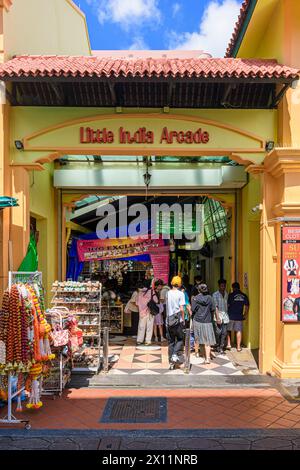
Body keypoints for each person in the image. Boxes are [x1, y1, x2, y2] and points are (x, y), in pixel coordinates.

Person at [192, 283, 216, 364]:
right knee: (207, 341)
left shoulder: (195, 298)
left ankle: (199, 354)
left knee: (198, 339)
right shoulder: (210, 298)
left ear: (198, 290)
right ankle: (207, 359)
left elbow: (193, 309)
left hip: (197, 321)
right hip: (207, 321)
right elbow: (213, 309)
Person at [165, 276, 186, 367]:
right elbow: (181, 309)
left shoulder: (167, 293)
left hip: (169, 320)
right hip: (178, 320)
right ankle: (174, 354)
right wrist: (183, 319)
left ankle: (171, 361)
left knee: (171, 341)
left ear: (172, 283)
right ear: (180, 284)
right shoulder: (181, 294)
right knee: (180, 339)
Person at [227, 282, 250, 352]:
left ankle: (228, 344)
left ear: (233, 288)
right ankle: (238, 347)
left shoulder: (231, 295)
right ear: (239, 287)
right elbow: (247, 306)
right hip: (239, 316)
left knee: (228, 330)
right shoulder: (244, 295)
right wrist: (245, 314)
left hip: (231, 315)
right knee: (238, 330)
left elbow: (227, 305)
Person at [136, 279, 159, 346]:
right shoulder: (151, 292)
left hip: (141, 312)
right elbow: (156, 301)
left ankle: (139, 340)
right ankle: (147, 341)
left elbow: (137, 303)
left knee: (141, 326)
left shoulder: (139, 293)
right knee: (149, 327)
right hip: (149, 312)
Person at [212, 279, 229, 355]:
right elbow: (215, 307)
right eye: (222, 286)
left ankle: (221, 347)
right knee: (218, 332)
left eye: (224, 286)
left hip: (225, 316)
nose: (223, 287)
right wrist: (217, 317)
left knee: (224, 333)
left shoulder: (226, 294)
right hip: (218, 315)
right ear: (219, 286)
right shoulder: (215, 295)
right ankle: (217, 344)